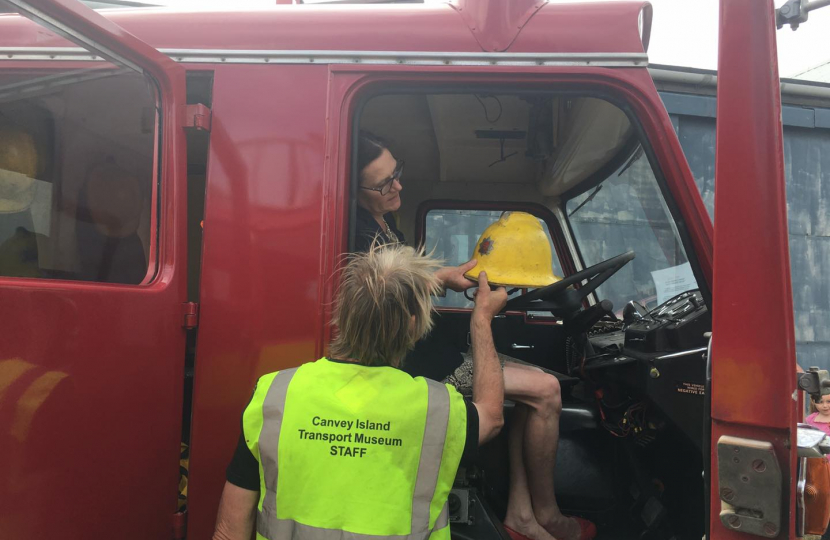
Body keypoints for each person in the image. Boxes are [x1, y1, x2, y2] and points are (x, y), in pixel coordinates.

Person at [353, 131, 596, 540]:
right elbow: (390, 293)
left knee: (528, 396)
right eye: (383, 183)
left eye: (397, 173)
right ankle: (548, 515)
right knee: (547, 390)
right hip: (417, 364)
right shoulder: (357, 233)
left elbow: (409, 278)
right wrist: (444, 281)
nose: (397, 186)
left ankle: (521, 514)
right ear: (355, 188)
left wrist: (446, 277)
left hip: (434, 348)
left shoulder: (383, 219)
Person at [212, 244, 508, 540]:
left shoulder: (275, 394)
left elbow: (229, 531)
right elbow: (492, 416)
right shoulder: (437, 407)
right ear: (413, 326)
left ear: (342, 313)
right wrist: (481, 320)